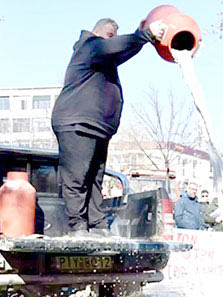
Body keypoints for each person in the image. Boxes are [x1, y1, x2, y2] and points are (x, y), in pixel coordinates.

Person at [51, 17, 166, 237]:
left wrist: (143, 36)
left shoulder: (102, 59)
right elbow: (114, 48)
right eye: (113, 35)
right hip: (77, 123)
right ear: (107, 34)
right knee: (77, 178)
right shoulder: (90, 46)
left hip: (96, 127)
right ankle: (78, 227)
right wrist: (143, 36)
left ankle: (97, 224)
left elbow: (121, 51)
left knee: (95, 178)